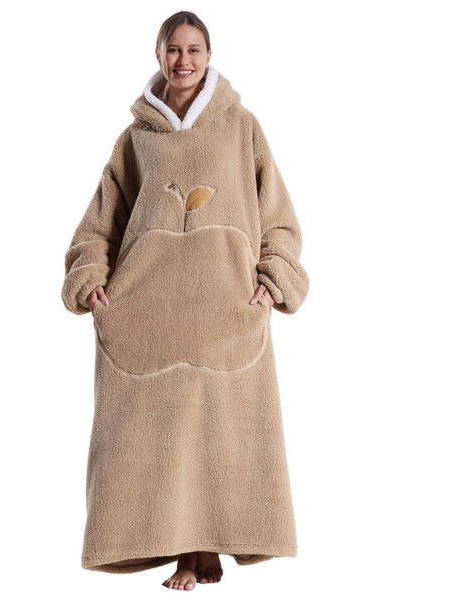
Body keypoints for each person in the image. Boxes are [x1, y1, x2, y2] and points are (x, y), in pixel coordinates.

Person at [61, 10, 309, 591]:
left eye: (194, 50)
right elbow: (101, 221)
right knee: (161, 437)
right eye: (173, 49)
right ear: (159, 55)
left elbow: (276, 212)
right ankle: (184, 554)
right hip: (151, 311)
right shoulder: (136, 139)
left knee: (221, 432)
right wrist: (90, 274)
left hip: (225, 308)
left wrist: (274, 275)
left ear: (209, 55)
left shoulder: (241, 127)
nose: (184, 60)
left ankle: (209, 547)